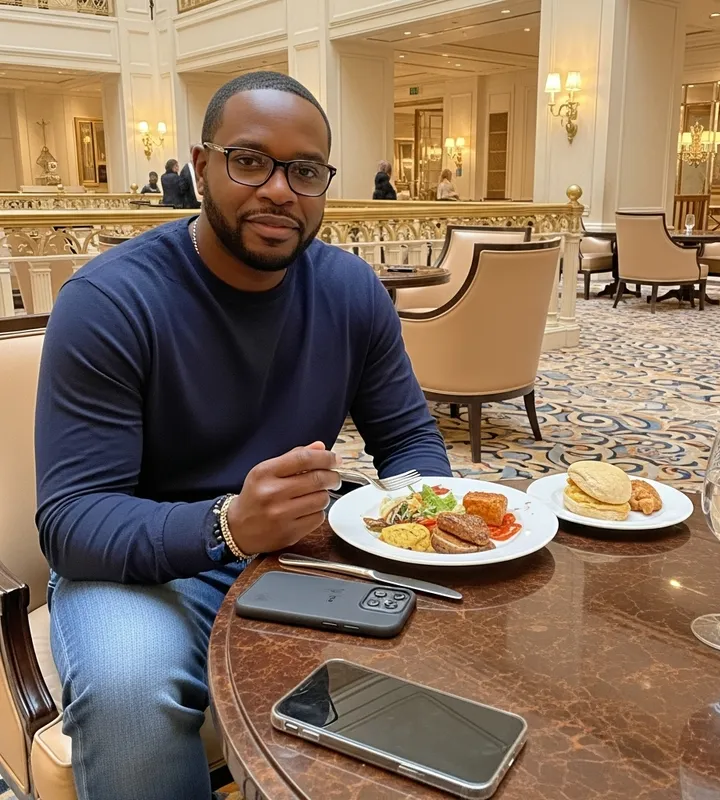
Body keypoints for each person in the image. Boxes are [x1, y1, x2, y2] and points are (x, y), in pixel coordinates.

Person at [35, 70, 451, 800]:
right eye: (250, 160)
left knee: (433, 642)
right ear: (201, 167)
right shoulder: (109, 301)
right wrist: (228, 525)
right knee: (131, 693)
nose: (280, 191)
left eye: (305, 170)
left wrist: (413, 522)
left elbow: (414, 447)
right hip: (139, 568)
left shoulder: (351, 291)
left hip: (298, 549)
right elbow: (72, 521)